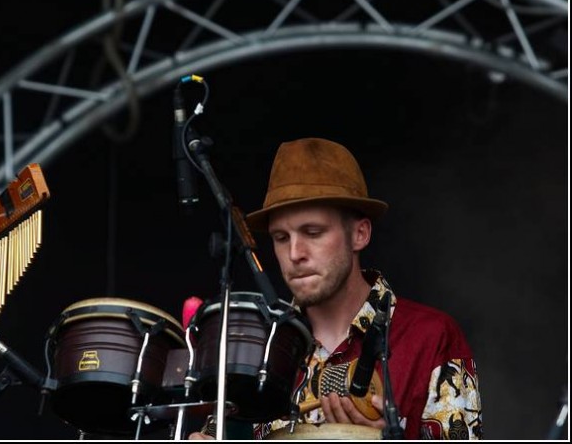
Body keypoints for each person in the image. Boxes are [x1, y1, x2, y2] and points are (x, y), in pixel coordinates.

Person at [190, 137, 482, 440]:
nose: (294, 253)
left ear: (360, 234)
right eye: (281, 237)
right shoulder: (257, 348)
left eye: (313, 232)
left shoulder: (431, 337)